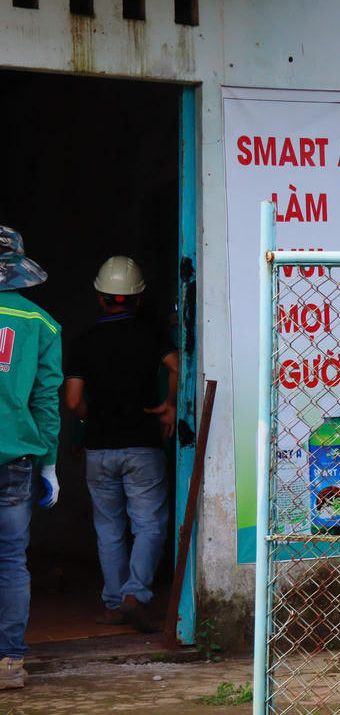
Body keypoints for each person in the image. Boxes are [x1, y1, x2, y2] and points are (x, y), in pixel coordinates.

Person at [64, 256, 178, 634]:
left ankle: (114, 604)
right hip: (143, 447)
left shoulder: (83, 342)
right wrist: (169, 405)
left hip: (99, 449)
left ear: (100, 297)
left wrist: (86, 420)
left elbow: (73, 401)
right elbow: (177, 366)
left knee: (109, 528)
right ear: (138, 299)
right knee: (149, 524)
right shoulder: (151, 337)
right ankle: (136, 594)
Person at [0, 226, 62, 690]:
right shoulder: (41, 324)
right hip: (16, 459)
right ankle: (8, 664)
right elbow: (46, 401)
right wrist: (50, 464)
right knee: (10, 561)